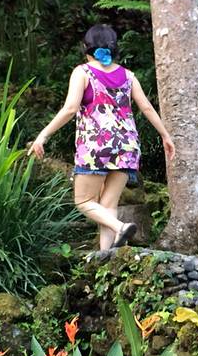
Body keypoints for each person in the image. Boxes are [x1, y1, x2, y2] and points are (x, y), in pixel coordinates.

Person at [28, 24, 175, 250]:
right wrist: (165, 135)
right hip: (127, 146)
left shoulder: (83, 72)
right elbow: (146, 107)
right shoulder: (128, 75)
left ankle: (120, 227)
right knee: (108, 205)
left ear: (85, 47)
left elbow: (70, 109)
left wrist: (43, 135)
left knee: (84, 201)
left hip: (96, 146)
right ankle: (106, 255)